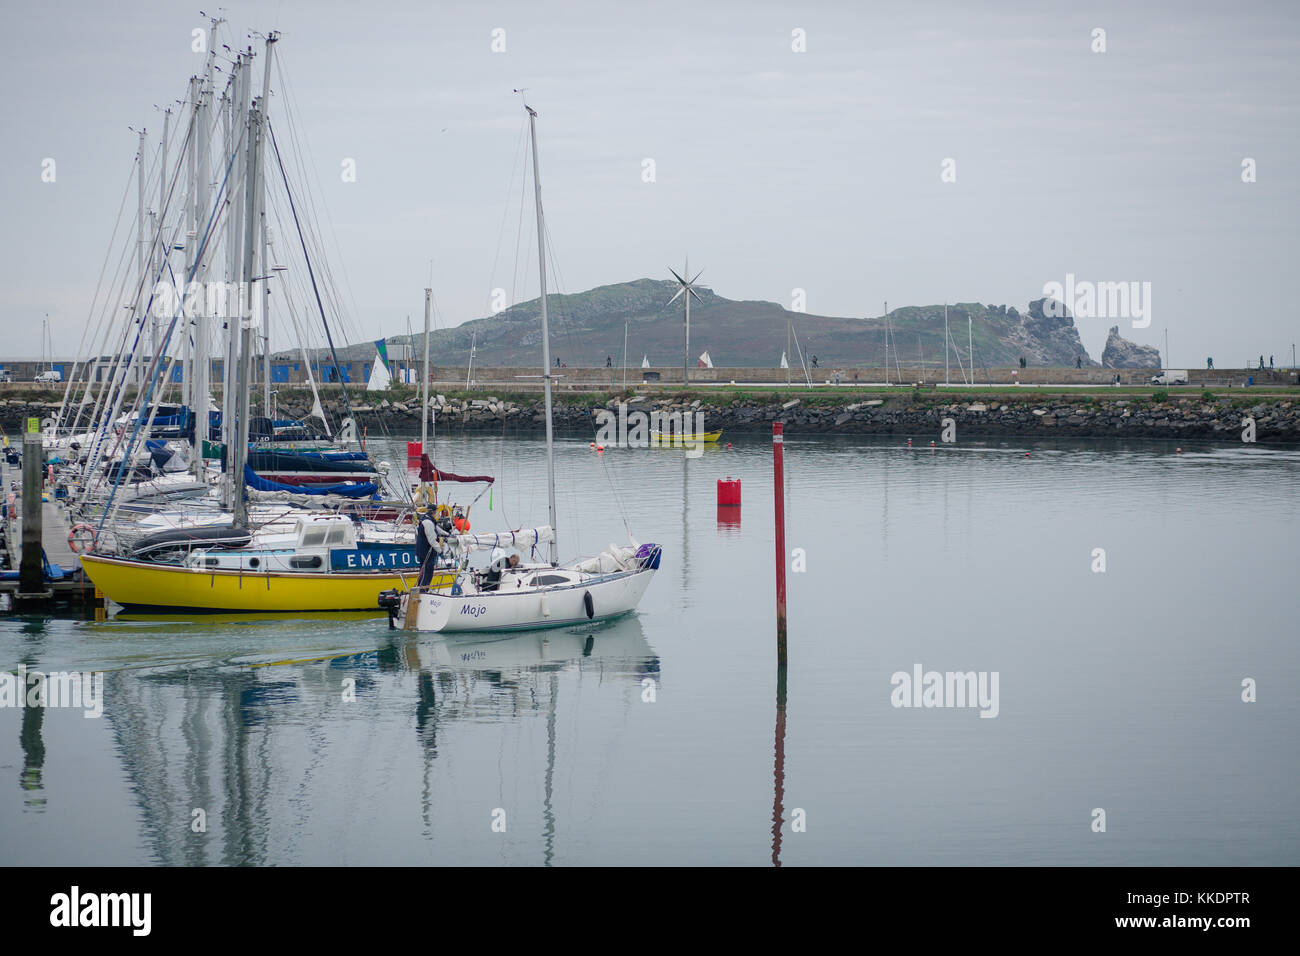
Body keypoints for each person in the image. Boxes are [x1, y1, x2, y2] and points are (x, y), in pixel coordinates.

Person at [415, 506, 440, 587]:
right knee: (428, 572)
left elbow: (436, 529)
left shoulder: (427, 519)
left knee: (424, 571)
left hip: (423, 550)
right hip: (426, 551)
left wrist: (447, 535)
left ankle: (421, 588)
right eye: (436, 511)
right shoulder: (428, 522)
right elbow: (432, 540)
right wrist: (440, 551)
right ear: (433, 512)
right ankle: (423, 589)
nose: (436, 513)